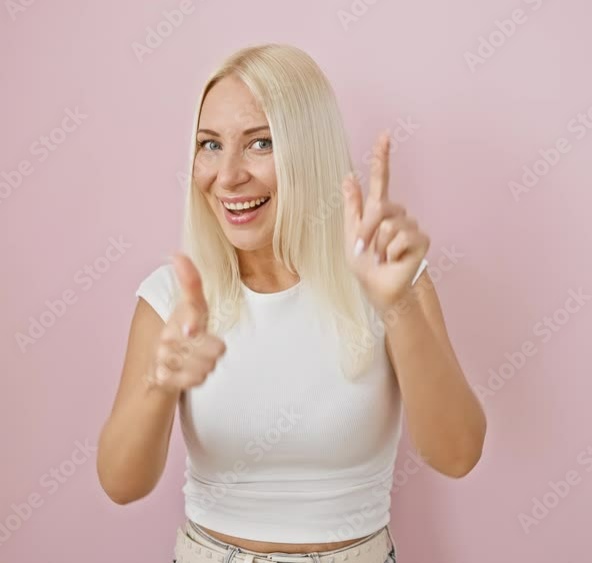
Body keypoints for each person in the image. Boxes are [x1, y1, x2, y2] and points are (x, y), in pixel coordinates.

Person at [97, 43, 487, 563]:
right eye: (209, 145)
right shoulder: (171, 297)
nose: (228, 175)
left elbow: (457, 453)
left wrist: (398, 306)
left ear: (310, 151)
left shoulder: (391, 277)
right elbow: (121, 484)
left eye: (260, 143)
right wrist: (160, 383)